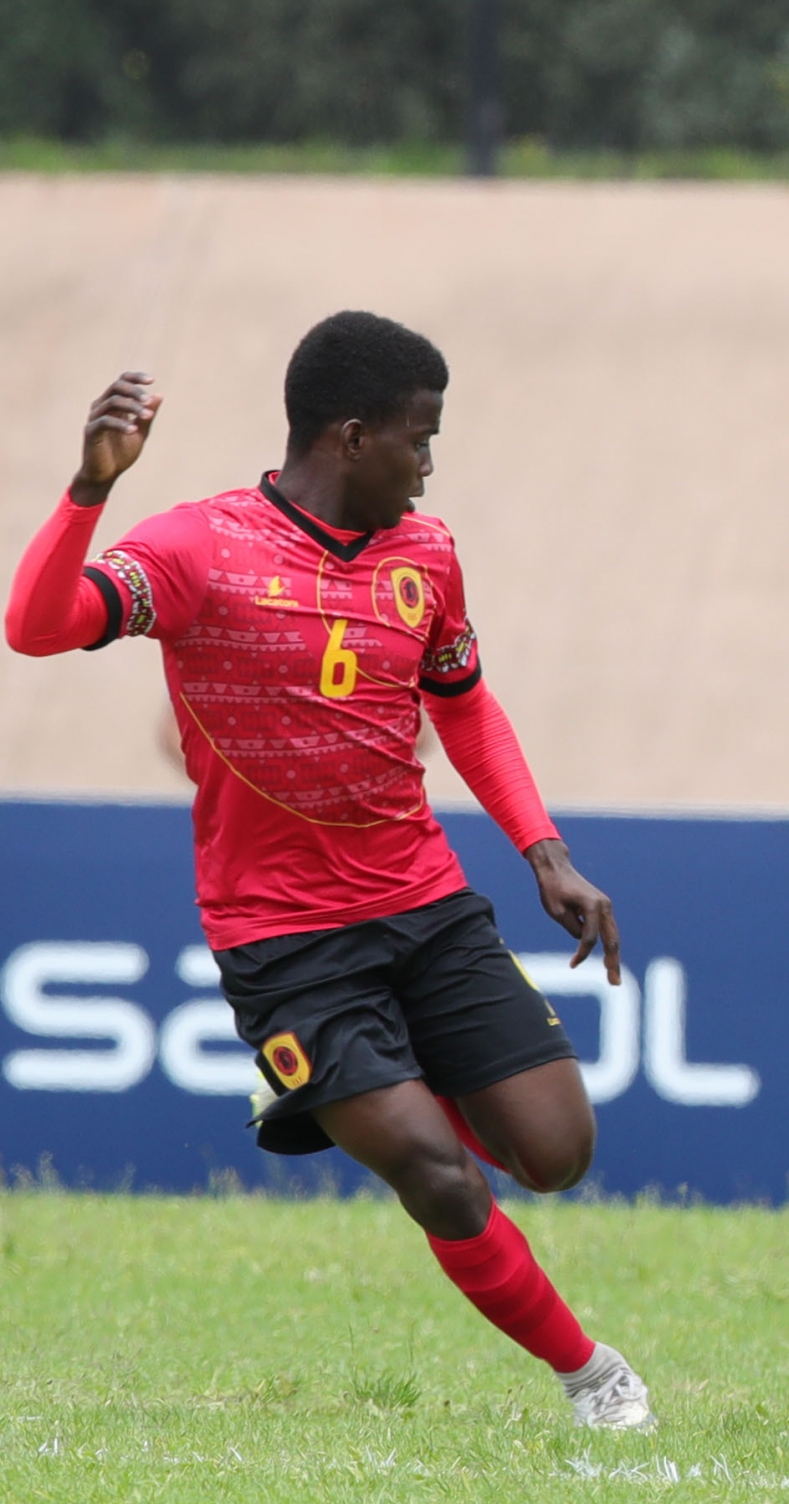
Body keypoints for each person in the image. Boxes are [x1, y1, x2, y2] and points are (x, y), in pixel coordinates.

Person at [5, 312, 657, 1427]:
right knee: (438, 1174)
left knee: (555, 1153)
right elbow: (35, 625)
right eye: (421, 436)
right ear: (353, 437)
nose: (430, 462)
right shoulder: (200, 548)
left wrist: (545, 853)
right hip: (284, 939)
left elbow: (465, 707)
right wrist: (85, 491)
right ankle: (593, 1376)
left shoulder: (427, 555)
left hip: (428, 906)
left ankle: (367, 1076)